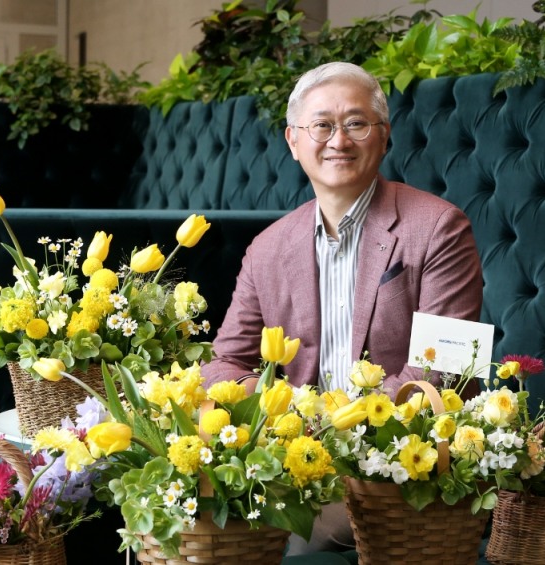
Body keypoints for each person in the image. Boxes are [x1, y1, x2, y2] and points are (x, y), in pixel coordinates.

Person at [200, 62, 484, 554]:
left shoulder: (439, 227)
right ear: (293, 140)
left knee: (272, 530)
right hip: (296, 457)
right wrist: (275, 412)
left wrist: (338, 428)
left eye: (356, 123)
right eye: (322, 125)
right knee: (184, 514)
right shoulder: (268, 248)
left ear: (384, 135)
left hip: (400, 464)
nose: (339, 140)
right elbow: (224, 363)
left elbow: (450, 367)